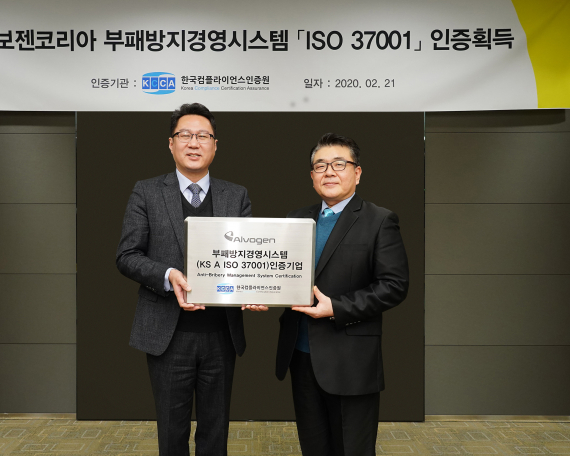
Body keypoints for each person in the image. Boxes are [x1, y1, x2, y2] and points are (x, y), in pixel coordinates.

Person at [116, 103, 262, 456]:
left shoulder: (236, 195)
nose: (194, 143)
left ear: (215, 145)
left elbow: (248, 257)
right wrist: (168, 275)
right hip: (168, 335)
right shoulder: (146, 191)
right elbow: (127, 255)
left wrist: (255, 285)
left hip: (221, 334)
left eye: (203, 136)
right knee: (172, 433)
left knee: (216, 433)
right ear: (171, 143)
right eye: (185, 135)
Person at [275, 133, 409, 456]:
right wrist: (256, 291)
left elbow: (394, 285)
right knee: (313, 448)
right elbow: (278, 273)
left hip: (351, 363)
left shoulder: (379, 220)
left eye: (339, 164)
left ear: (357, 173)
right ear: (312, 176)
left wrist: (337, 307)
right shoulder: (295, 219)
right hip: (301, 357)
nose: (329, 172)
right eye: (320, 166)